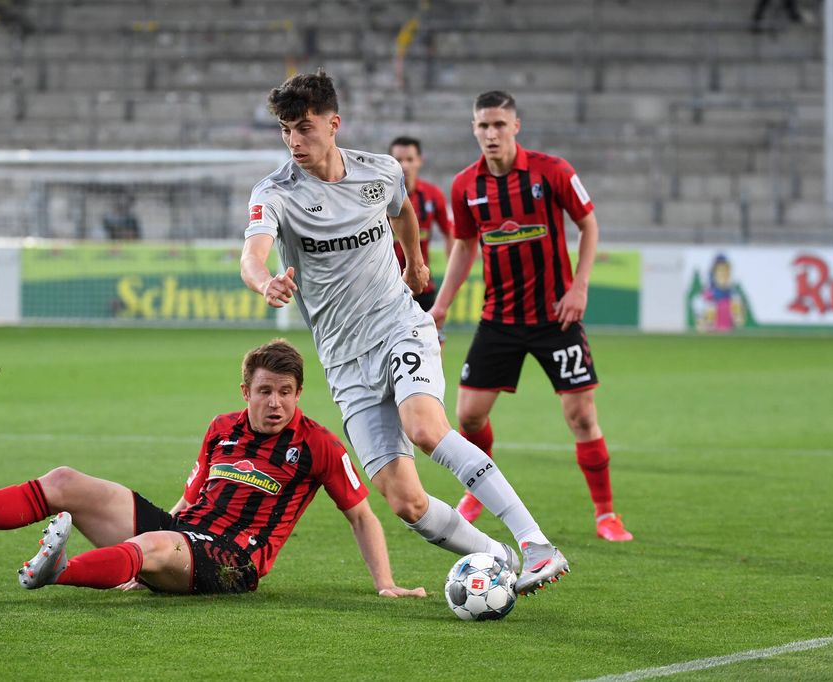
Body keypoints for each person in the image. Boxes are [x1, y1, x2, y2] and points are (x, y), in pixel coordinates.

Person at [239, 70, 568, 596]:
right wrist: (265, 282)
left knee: (424, 426)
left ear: (334, 123)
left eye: (304, 128)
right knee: (406, 502)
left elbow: (404, 210)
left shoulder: (380, 171)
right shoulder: (276, 192)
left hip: (398, 325)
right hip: (344, 360)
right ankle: (500, 558)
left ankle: (535, 543)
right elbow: (252, 254)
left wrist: (415, 263)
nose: (294, 142)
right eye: (285, 131)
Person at [0, 339, 426, 598]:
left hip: (234, 562)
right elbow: (188, 500)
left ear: (298, 394)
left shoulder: (319, 445)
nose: (276, 403)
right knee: (65, 481)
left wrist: (386, 583)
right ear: (246, 392)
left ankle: (66, 571)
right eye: (265, 392)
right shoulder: (221, 428)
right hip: (187, 533)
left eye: (286, 393)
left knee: (154, 548)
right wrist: (147, 549)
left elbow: (362, 516)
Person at [429, 90, 633, 542]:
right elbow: (464, 246)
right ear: (474, 129)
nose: (491, 133)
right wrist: (440, 306)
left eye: (499, 124)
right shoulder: (466, 185)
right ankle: (482, 489)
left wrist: (579, 288)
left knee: (581, 416)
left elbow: (589, 224)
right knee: (470, 417)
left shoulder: (552, 170)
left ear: (515, 126)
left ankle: (606, 514)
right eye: (483, 125)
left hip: (555, 318)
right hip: (499, 318)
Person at [388, 136, 452, 315]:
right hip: (387, 288)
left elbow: (450, 232)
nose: (404, 165)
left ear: (419, 161)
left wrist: (451, 270)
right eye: (399, 160)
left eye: (409, 159)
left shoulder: (433, 195)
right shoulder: (380, 197)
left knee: (430, 341)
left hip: (422, 285)